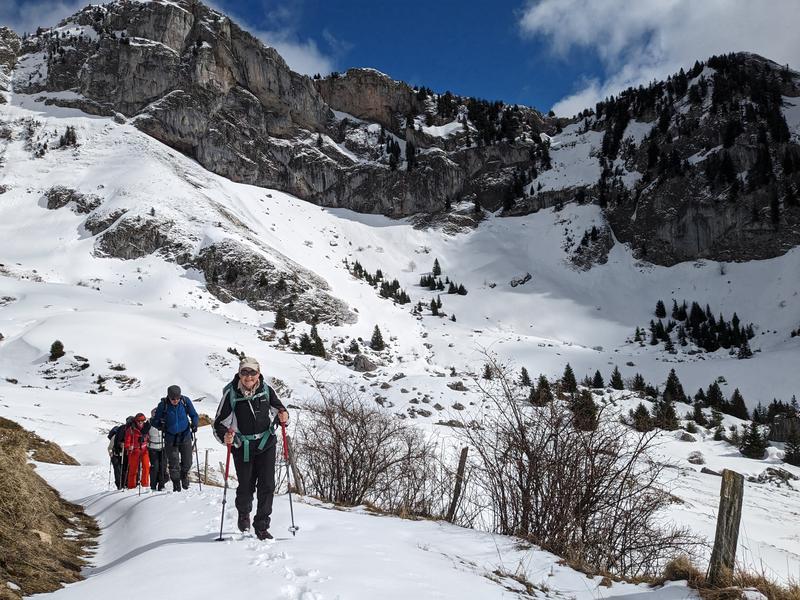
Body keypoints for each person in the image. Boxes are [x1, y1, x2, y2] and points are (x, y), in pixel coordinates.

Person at [213, 356, 288, 540]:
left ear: (258, 373)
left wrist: (283, 415)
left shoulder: (266, 390)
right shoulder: (231, 394)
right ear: (239, 374)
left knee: (268, 485)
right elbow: (218, 424)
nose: (248, 377)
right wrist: (226, 436)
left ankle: (262, 525)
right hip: (243, 446)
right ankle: (244, 513)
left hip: (266, 443)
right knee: (246, 486)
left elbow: (280, 410)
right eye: (244, 372)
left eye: (252, 372)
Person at [153, 385, 199, 492]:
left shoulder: (185, 401)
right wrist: (160, 424)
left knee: (187, 462)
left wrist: (195, 424)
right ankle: (176, 484)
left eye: (177, 398)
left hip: (185, 435)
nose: (176, 400)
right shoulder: (163, 405)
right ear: (168, 396)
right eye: (173, 398)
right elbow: (155, 420)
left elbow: (194, 415)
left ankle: (184, 476)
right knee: (173, 464)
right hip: (170, 438)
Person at [124, 413, 150, 489]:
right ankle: (131, 486)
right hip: (134, 451)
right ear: (136, 420)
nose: (140, 422)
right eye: (138, 420)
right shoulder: (131, 429)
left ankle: (145, 484)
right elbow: (127, 441)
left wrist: (146, 441)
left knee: (146, 467)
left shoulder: (146, 428)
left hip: (144, 450)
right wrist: (129, 447)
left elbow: (149, 438)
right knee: (133, 469)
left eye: (142, 420)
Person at [107, 416, 133, 490]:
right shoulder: (117, 435)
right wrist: (111, 454)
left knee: (122, 470)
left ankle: (123, 485)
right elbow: (110, 447)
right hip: (116, 456)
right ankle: (120, 486)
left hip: (122, 455)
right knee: (118, 471)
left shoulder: (128, 433)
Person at [148, 407, 167, 491]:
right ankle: (153, 485)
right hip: (153, 448)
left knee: (163, 466)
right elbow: (144, 432)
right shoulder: (149, 422)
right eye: (154, 413)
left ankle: (161, 485)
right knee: (155, 467)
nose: (155, 415)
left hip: (163, 447)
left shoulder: (164, 421)